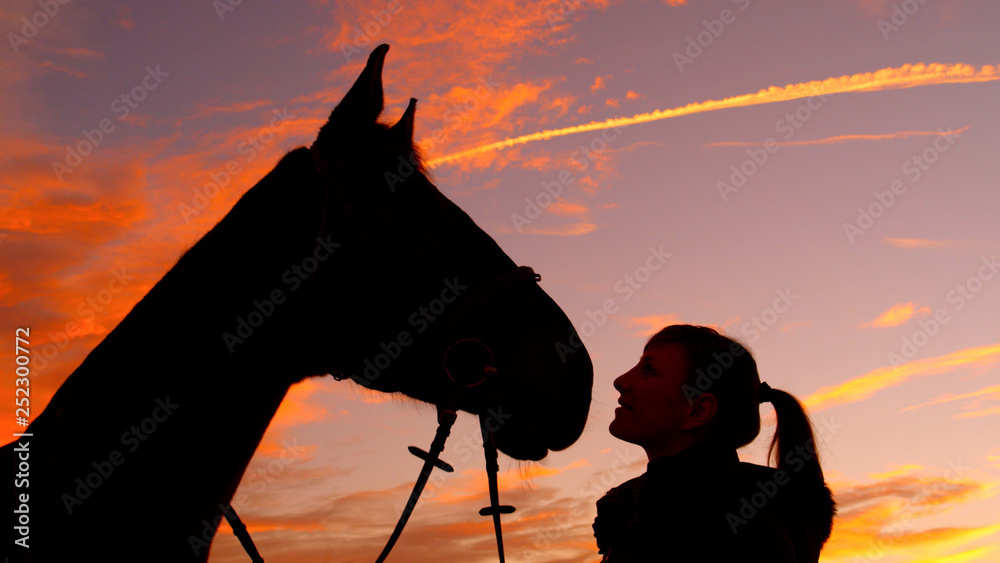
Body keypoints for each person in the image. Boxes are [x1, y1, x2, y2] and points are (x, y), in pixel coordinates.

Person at [593, 325, 835, 562]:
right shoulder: (656, 512)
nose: (621, 380)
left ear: (698, 410)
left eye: (649, 370)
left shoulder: (728, 529)